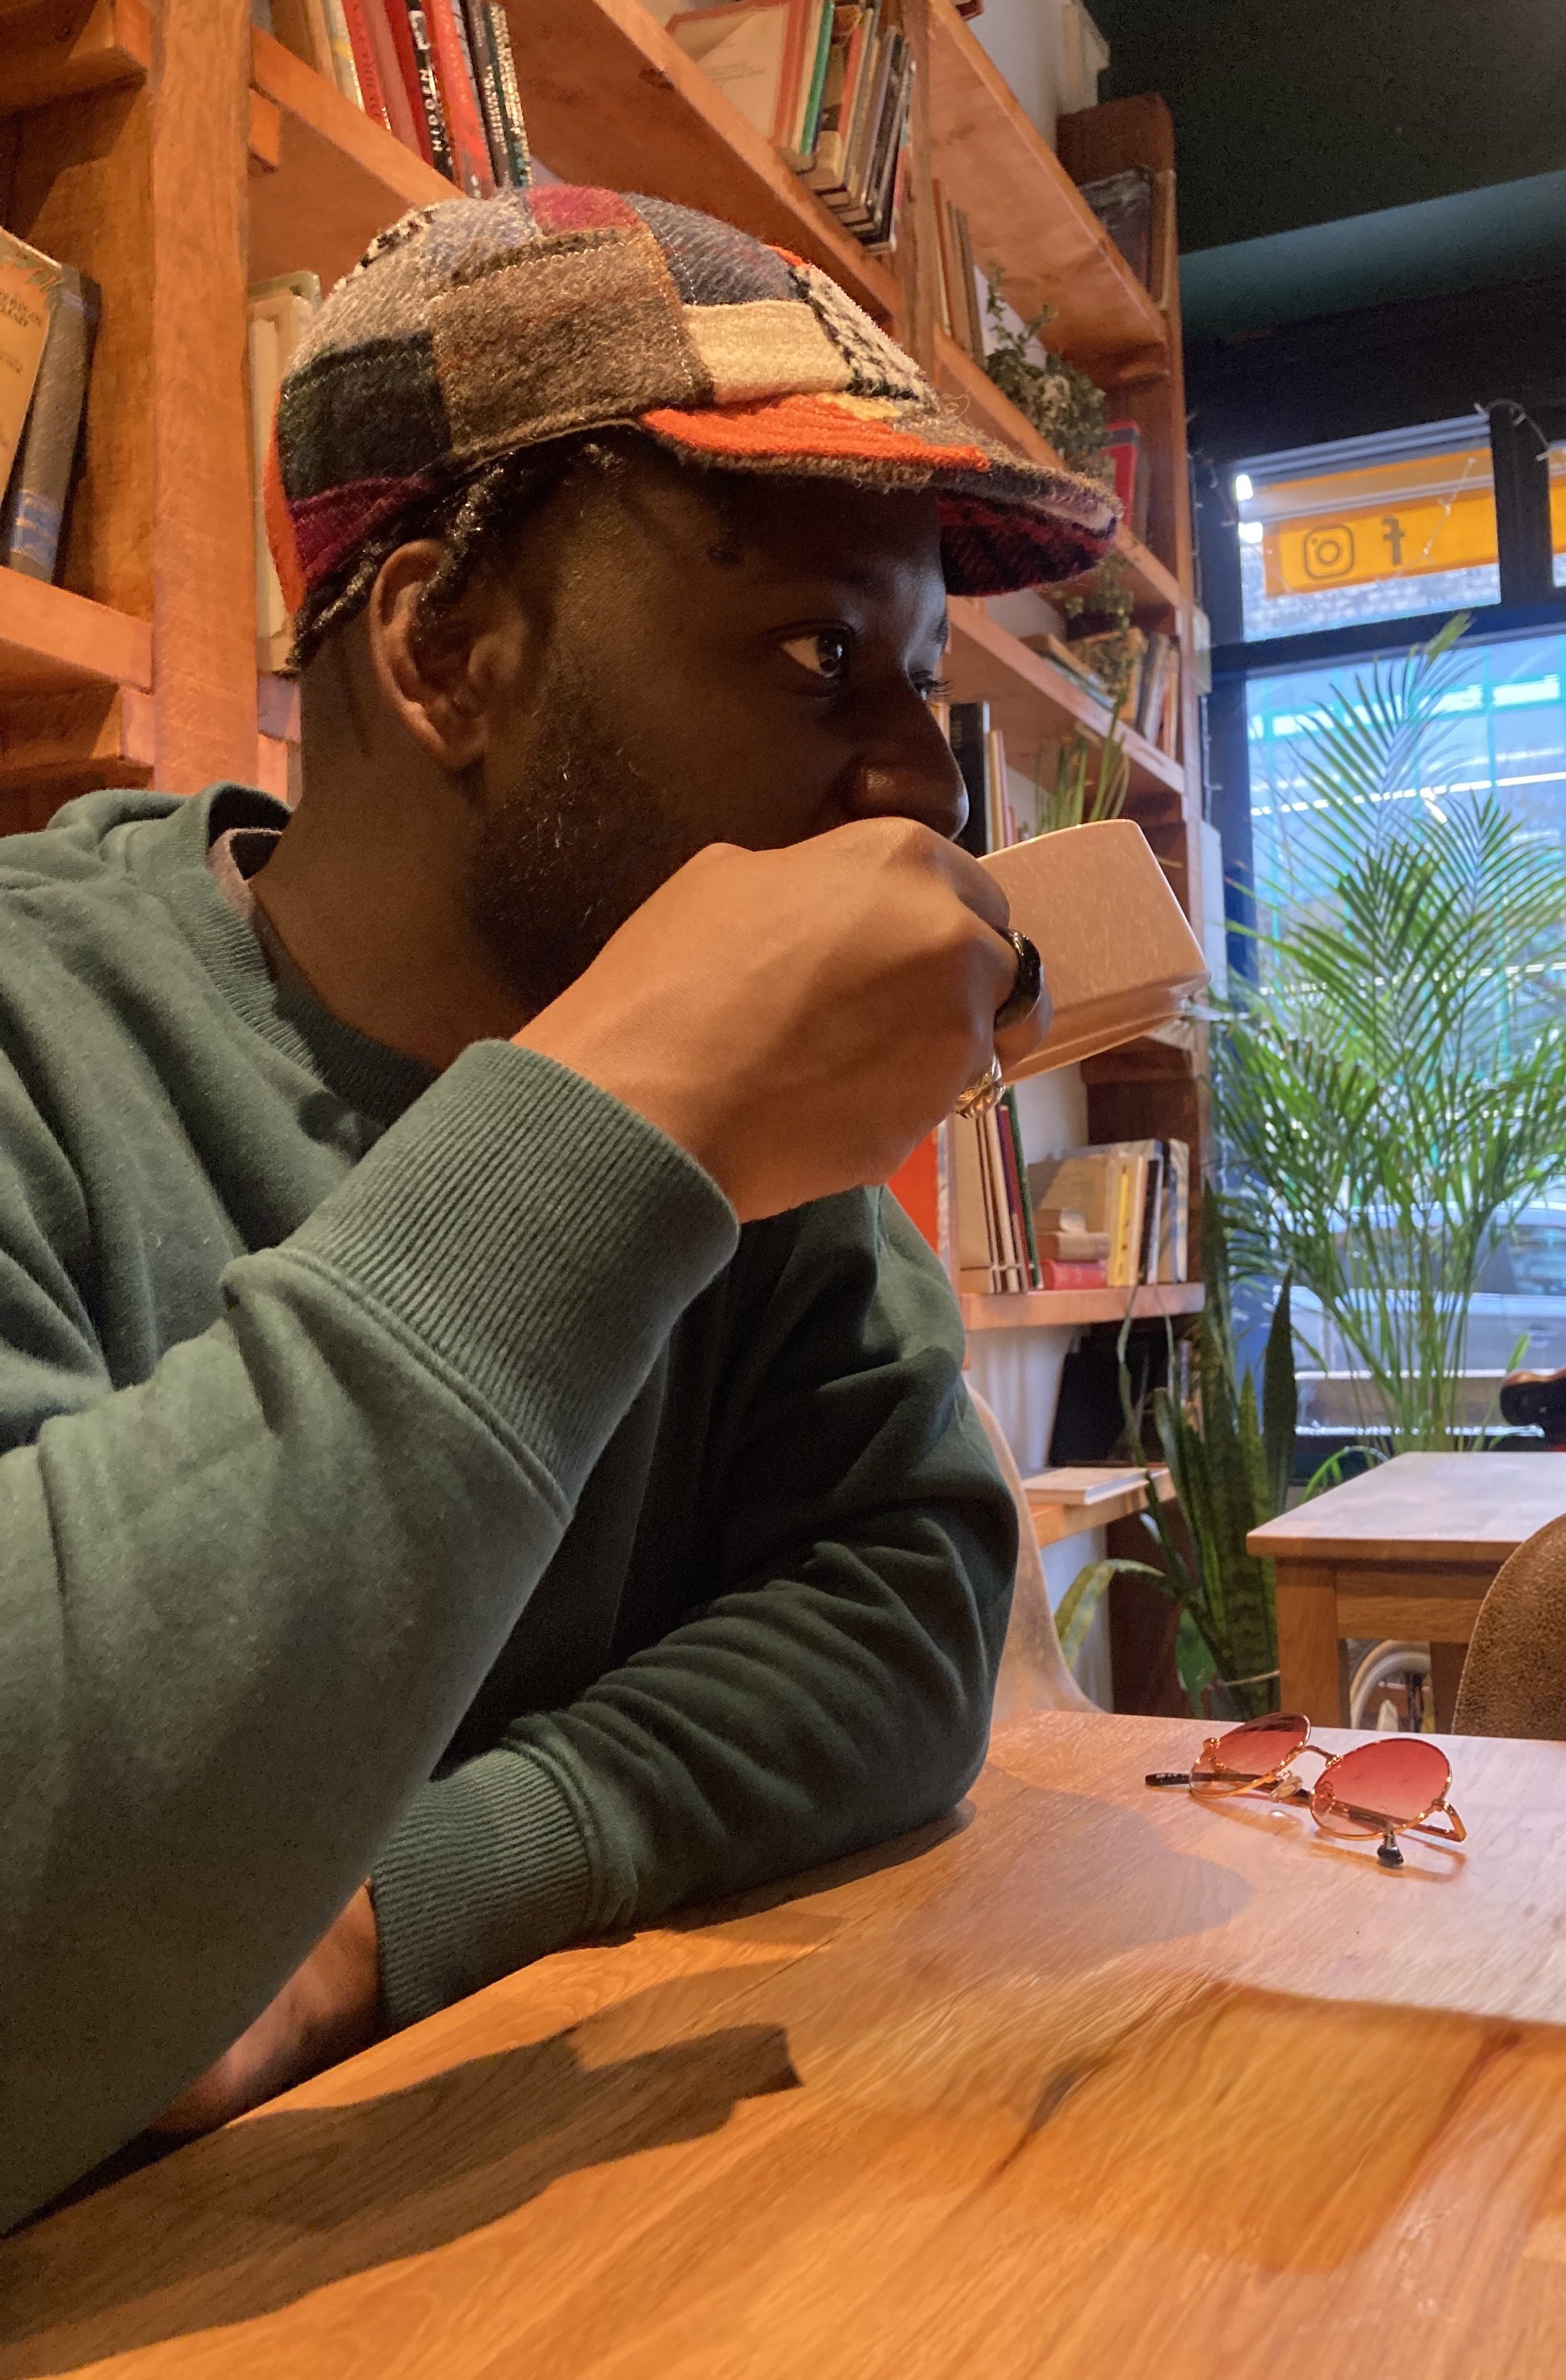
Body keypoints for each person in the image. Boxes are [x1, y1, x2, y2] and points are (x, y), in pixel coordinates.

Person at [0, 185, 1114, 2229]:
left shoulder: (765, 1164)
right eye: (819, 656)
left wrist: (396, 1908)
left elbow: (903, 1598)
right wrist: (628, 1102)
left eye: (920, 680)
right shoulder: (38, 1042)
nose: (927, 789)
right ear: (445, 649)